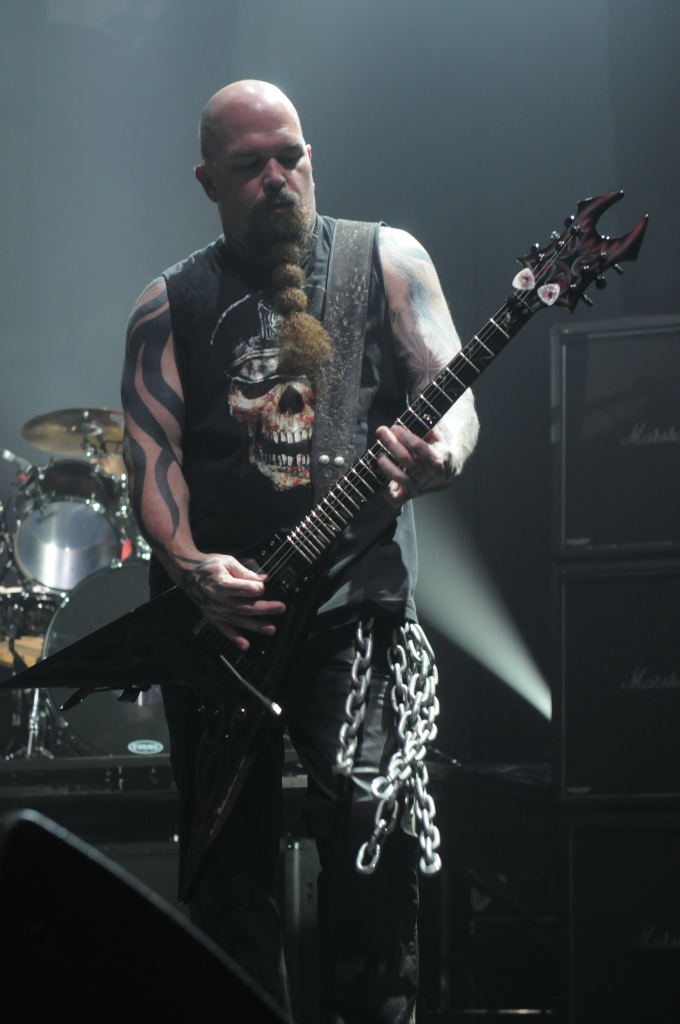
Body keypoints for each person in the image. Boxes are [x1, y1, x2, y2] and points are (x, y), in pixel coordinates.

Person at [121, 79, 479, 1024]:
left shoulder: (384, 259)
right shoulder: (169, 302)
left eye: (293, 156)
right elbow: (152, 458)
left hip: (356, 602)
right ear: (210, 180)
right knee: (227, 872)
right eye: (251, 165)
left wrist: (441, 455)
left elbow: (454, 391)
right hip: (224, 623)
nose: (278, 177)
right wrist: (191, 566)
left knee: (369, 831)